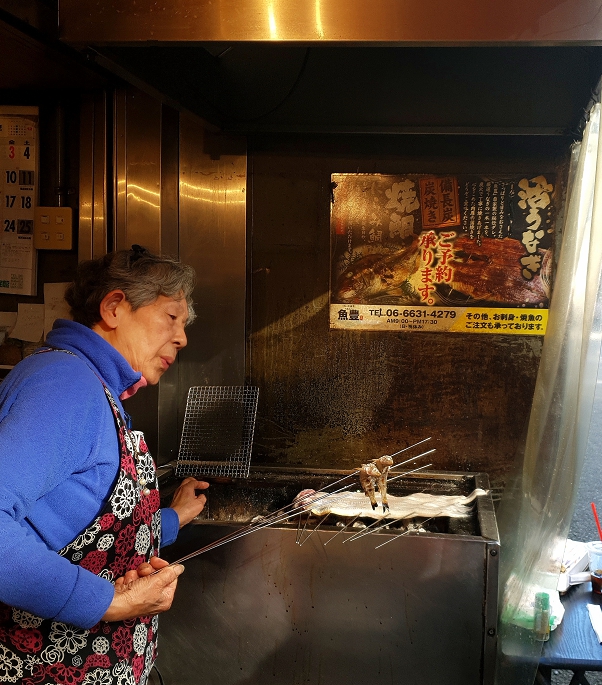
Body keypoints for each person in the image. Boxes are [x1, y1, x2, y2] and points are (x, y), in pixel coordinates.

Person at [0, 245, 209, 685]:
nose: (182, 337)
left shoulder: (93, 387)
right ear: (114, 307)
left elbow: (73, 513)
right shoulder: (65, 385)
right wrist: (109, 603)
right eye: (171, 317)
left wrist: (172, 519)